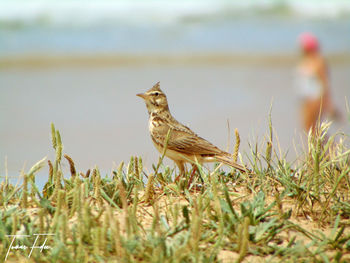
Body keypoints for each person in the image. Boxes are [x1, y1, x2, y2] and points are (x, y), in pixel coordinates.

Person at [296, 32, 339, 134]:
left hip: (315, 99)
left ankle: (329, 148)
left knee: (314, 130)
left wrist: (329, 103)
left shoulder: (319, 61)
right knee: (308, 129)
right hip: (306, 100)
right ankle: (318, 149)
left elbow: (325, 82)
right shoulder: (306, 61)